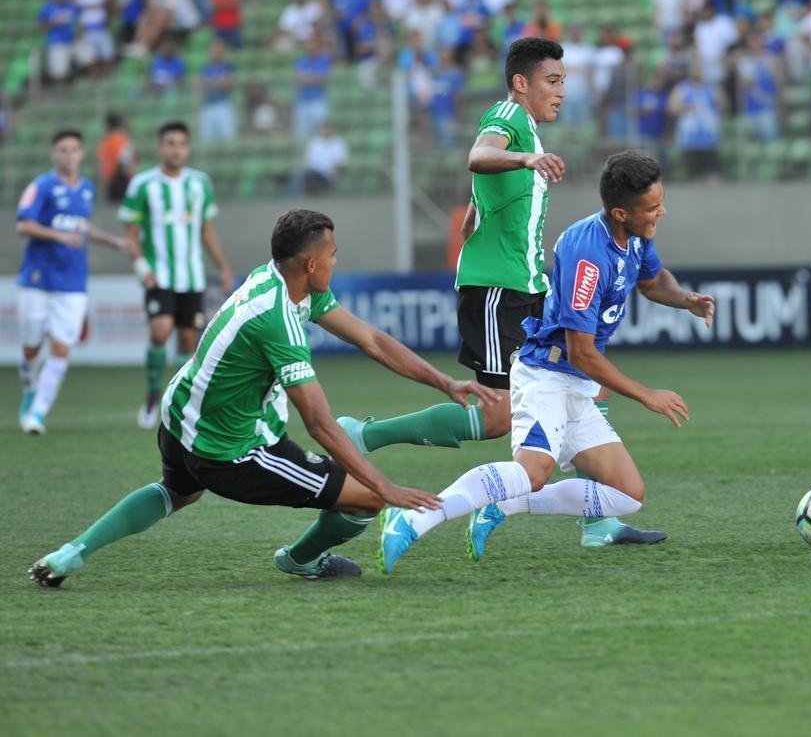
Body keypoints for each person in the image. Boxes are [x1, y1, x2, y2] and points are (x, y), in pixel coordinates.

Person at [29, 209, 499, 588]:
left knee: (176, 492)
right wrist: (385, 488)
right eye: (333, 254)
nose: (336, 261)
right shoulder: (278, 319)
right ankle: (300, 561)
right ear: (310, 264)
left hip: (179, 420)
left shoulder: (279, 281)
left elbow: (371, 340)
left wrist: (444, 381)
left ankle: (71, 553)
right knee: (364, 502)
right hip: (229, 452)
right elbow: (318, 423)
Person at [338, 38, 665, 548]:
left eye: (563, 81)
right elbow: (479, 155)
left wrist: (476, 211)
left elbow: (486, 185)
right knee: (500, 411)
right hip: (498, 290)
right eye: (552, 81)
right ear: (521, 83)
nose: (561, 91)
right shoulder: (508, 117)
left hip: (527, 284)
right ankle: (366, 435)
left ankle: (598, 520)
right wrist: (524, 160)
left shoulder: (526, 130)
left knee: (586, 381)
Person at [377, 152, 716, 571]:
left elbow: (651, 280)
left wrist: (686, 300)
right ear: (620, 212)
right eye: (652, 207)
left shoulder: (636, 234)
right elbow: (582, 351)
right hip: (546, 376)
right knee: (532, 471)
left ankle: (503, 506)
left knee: (627, 494)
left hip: (575, 386)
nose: (660, 212)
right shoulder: (587, 254)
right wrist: (647, 396)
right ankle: (413, 516)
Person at [119, 121, 234, 430]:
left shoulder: (200, 183)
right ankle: (153, 394)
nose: (176, 149)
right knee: (160, 331)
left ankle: (179, 401)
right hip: (159, 276)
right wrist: (143, 269)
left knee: (187, 339)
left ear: (188, 148)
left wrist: (222, 266)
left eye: (181, 144)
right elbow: (130, 233)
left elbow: (207, 230)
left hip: (192, 278)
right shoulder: (143, 184)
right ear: (160, 147)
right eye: (170, 143)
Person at [17, 129, 132, 435]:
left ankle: (37, 414)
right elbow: (23, 225)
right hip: (37, 278)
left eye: (74, 150)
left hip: (72, 282)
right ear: (53, 154)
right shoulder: (41, 186)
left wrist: (113, 241)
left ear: (82, 154)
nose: (69, 155)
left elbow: (81, 228)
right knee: (30, 348)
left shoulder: (87, 189)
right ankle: (29, 384)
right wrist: (58, 235)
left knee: (61, 348)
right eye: (62, 150)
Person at [96, 113, 138, 205]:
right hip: (121, 179)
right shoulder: (123, 138)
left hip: (110, 180)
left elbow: (101, 161)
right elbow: (126, 160)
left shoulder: (105, 140)